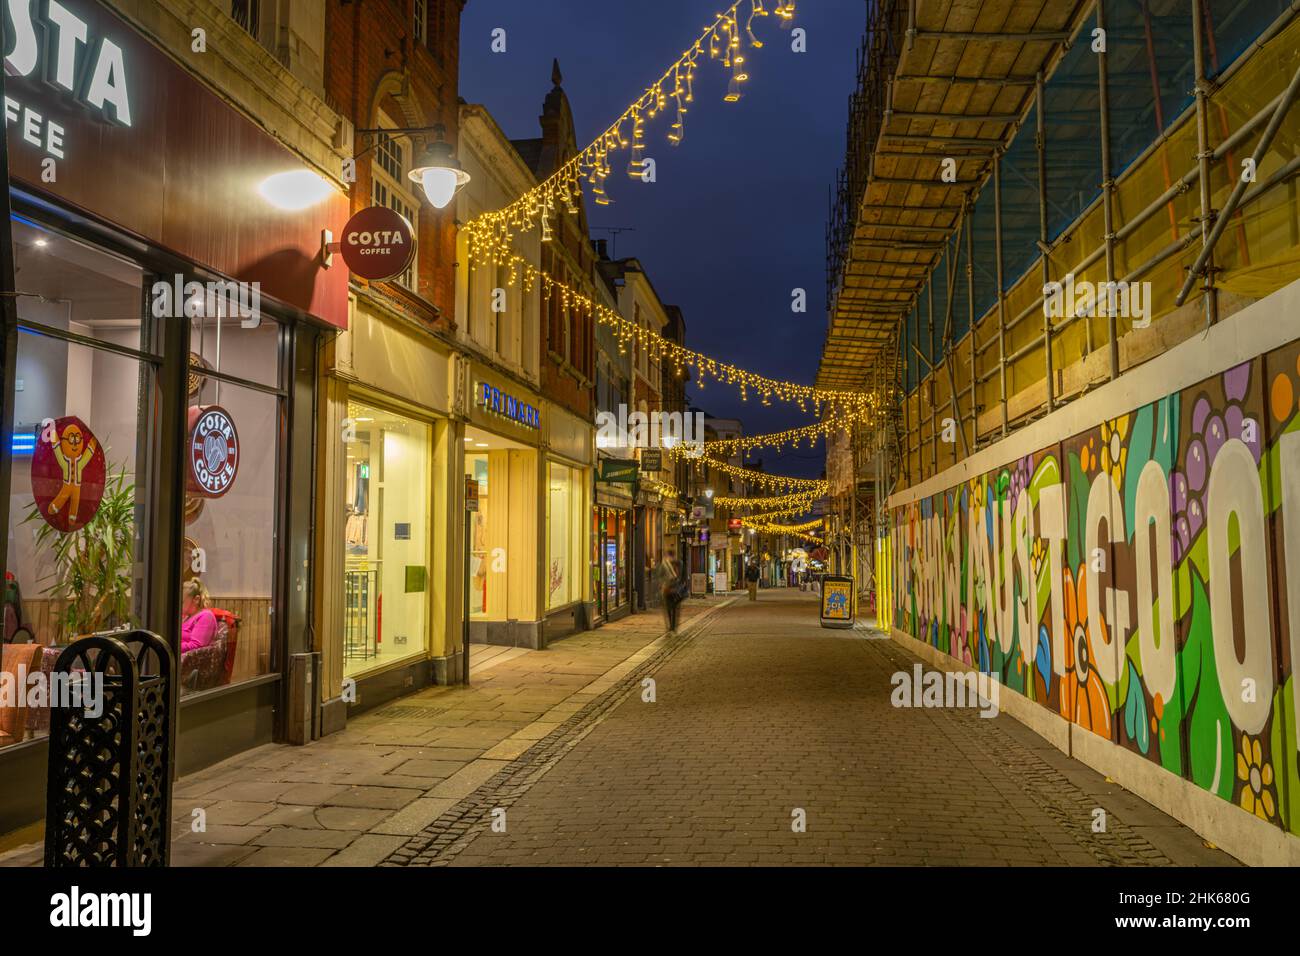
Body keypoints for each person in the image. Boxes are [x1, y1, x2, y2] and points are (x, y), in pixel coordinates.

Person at [181, 578, 217, 653]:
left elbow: (196, 646)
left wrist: (172, 646)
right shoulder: (186, 616)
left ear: (196, 599)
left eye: (182, 602)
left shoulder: (206, 616)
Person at [654, 550, 685, 634]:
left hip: (675, 590)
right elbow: (659, 576)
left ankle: (673, 626)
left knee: (674, 608)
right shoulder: (664, 565)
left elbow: (682, 577)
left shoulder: (679, 564)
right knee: (668, 608)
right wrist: (663, 584)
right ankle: (671, 625)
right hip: (667, 589)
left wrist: (679, 586)